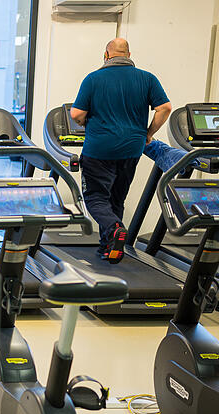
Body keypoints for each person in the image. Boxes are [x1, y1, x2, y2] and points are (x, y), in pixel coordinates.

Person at [70, 38, 172, 263]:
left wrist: (84, 122)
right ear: (128, 54)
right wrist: (148, 133)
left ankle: (115, 229)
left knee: (95, 197)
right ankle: (110, 248)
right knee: (117, 198)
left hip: (99, 149)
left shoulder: (93, 78)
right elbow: (165, 108)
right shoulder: (147, 78)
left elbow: (76, 114)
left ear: (105, 55)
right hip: (131, 149)